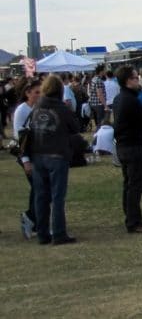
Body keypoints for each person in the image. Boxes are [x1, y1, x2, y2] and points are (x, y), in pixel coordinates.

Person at [27, 75, 82, 245]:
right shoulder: (62, 108)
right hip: (57, 155)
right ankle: (58, 233)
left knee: (41, 196)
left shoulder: (36, 107)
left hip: (38, 155)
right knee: (58, 196)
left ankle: (42, 233)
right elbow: (75, 128)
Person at [112, 66, 142, 234]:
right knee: (135, 185)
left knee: (129, 184)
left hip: (123, 145)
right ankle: (133, 221)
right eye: (134, 78)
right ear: (127, 81)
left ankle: (132, 218)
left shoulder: (119, 98)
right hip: (132, 146)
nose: (137, 79)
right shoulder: (130, 100)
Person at [13, 78, 41, 240]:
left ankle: (34, 219)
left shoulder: (38, 107)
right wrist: (25, 161)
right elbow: (20, 137)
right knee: (39, 188)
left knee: (39, 189)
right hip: (27, 155)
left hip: (37, 153)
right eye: (36, 92)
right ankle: (30, 217)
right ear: (27, 93)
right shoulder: (21, 110)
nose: (39, 95)